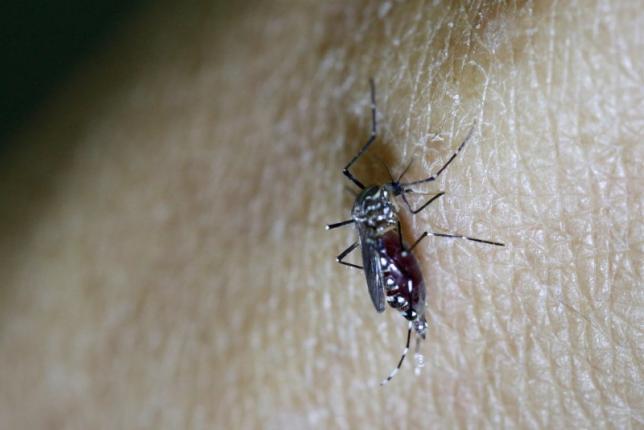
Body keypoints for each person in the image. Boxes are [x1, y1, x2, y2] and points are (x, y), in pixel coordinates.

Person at [0, 1, 640, 428]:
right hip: (377, 238)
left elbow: (383, 199)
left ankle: (405, 326)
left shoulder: (372, 201)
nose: (391, 193)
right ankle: (406, 331)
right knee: (389, 237)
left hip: (375, 234)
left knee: (379, 224)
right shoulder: (378, 209)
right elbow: (392, 209)